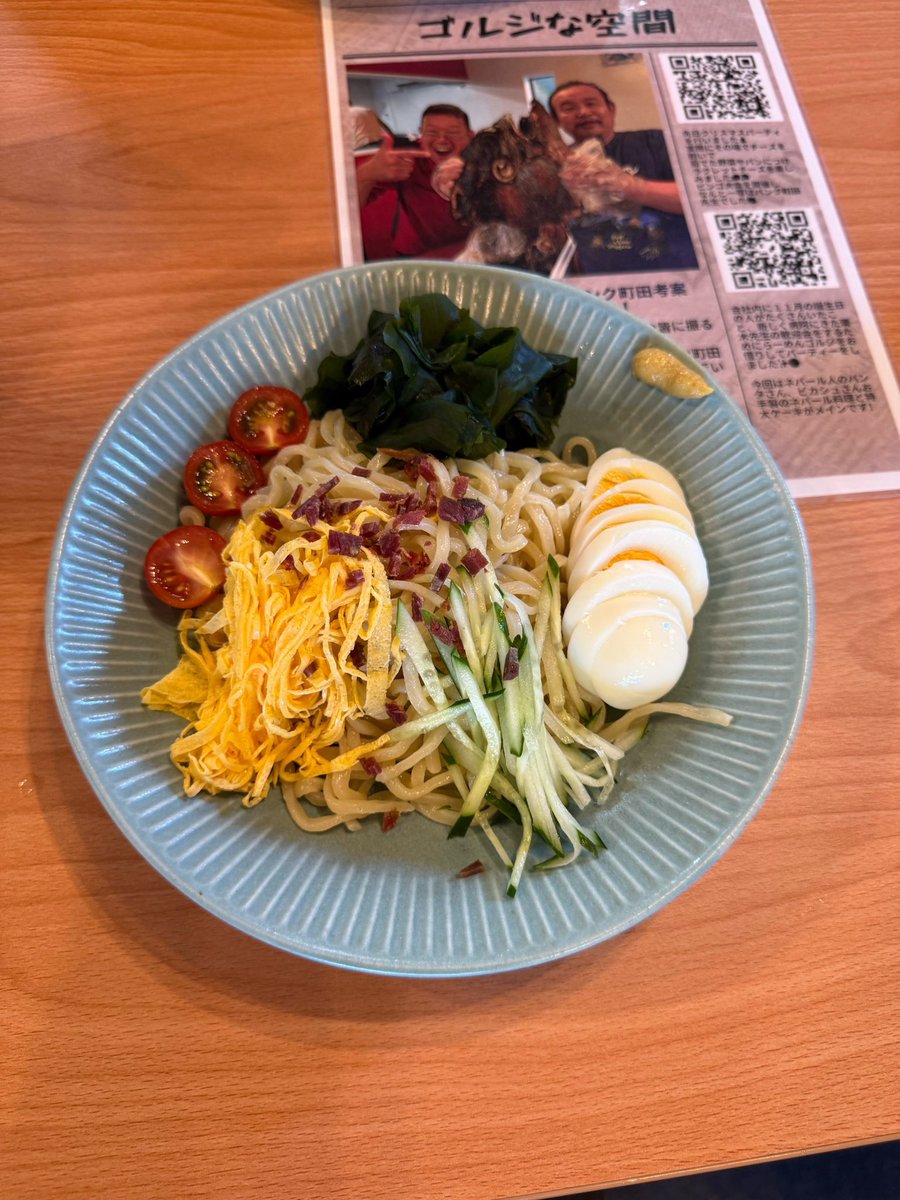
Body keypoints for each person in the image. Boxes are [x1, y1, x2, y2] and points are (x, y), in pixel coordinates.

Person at [547, 80, 697, 273]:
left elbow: (707, 199)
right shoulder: (552, 166)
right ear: (557, 120)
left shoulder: (657, 141)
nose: (583, 112)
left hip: (676, 270)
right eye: (568, 108)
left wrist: (630, 187)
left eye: (591, 103)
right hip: (597, 279)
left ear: (611, 109)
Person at [356, 104, 474, 261]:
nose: (442, 140)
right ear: (421, 135)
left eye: (453, 132)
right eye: (432, 132)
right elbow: (349, 208)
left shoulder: (486, 160)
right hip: (420, 257)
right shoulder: (406, 159)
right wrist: (367, 173)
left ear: (470, 136)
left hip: (473, 251)